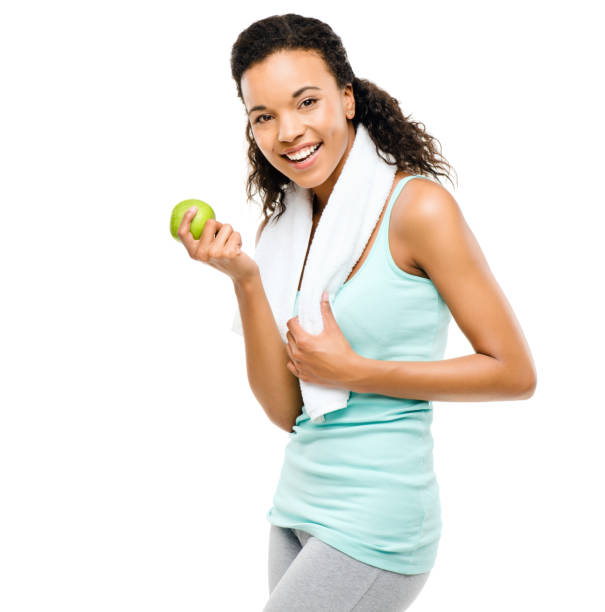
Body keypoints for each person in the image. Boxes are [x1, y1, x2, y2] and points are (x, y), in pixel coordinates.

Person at [178, 13, 537, 612]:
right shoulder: (284, 231)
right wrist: (244, 280)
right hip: (295, 506)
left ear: (346, 99)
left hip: (376, 520)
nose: (287, 131)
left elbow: (514, 372)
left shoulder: (417, 208)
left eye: (306, 102)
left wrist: (356, 372)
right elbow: (287, 410)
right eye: (263, 117)